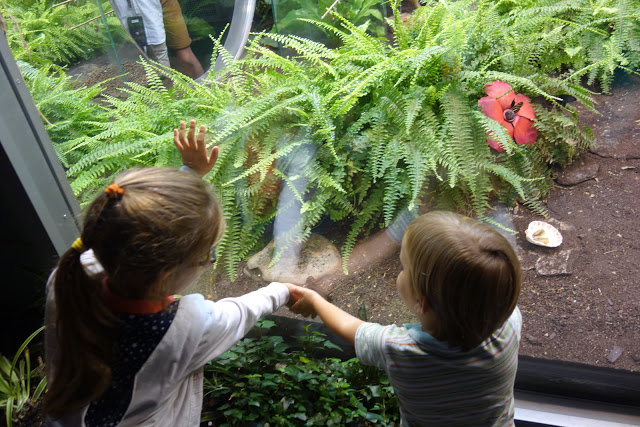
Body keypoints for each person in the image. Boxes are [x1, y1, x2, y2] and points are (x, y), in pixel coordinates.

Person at [43, 120, 296, 426]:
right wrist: (283, 290)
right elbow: (242, 311)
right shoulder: (189, 328)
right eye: (207, 256)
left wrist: (189, 174)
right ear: (164, 275)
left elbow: (135, 224)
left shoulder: (66, 280)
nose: (211, 260)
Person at [289, 211, 522, 426]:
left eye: (403, 267)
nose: (400, 272)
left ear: (422, 302)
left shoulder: (401, 350)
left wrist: (316, 302)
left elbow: (352, 328)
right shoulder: (511, 324)